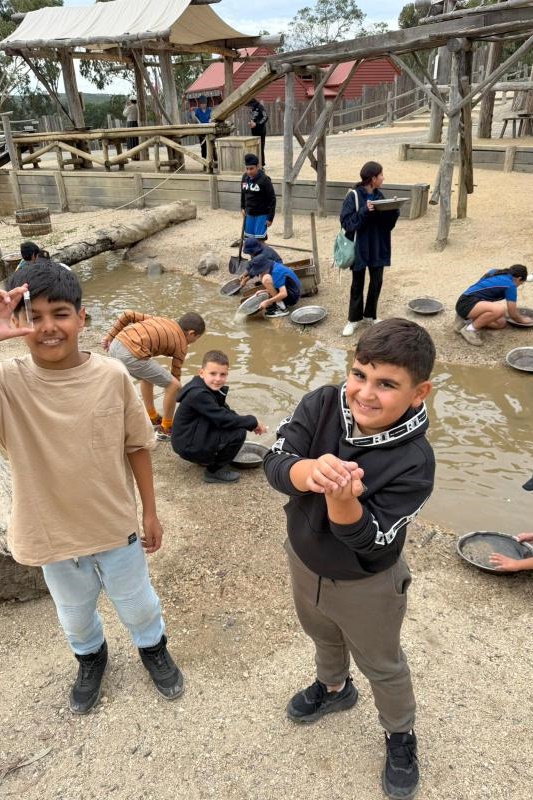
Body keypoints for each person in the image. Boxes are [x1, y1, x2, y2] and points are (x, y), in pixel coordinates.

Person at [263, 318, 436, 800]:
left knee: (382, 663)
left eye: (387, 384)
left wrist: (343, 501)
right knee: (321, 632)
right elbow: (274, 460)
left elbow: (376, 541)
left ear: (419, 392)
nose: (365, 393)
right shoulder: (321, 403)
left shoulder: (415, 461)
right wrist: (305, 470)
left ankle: (399, 734)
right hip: (304, 560)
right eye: (360, 374)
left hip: (367, 582)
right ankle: (335, 689)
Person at [0, 263, 184, 714]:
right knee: (74, 615)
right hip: (51, 533)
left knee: (139, 604)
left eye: (60, 314)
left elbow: (137, 445)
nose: (47, 327)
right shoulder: (7, 383)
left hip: (112, 523)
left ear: (82, 318)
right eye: (34, 316)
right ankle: (90, 657)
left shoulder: (112, 375)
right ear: (18, 323)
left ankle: (152, 648)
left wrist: (150, 512)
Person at [102, 310, 205, 441]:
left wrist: (109, 337)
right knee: (174, 385)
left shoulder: (163, 320)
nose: (194, 341)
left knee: (148, 376)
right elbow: (175, 375)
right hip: (130, 354)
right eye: (196, 338)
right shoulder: (182, 344)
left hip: (115, 345)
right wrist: (179, 395)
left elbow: (127, 314)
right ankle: (166, 429)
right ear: (191, 333)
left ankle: (152, 417)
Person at [171, 349, 267, 484]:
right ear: (201, 373)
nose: (218, 379)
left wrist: (251, 423)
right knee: (238, 433)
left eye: (223, 374)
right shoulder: (199, 394)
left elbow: (225, 412)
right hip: (186, 445)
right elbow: (223, 419)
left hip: (187, 438)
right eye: (213, 373)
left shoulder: (206, 387)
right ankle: (212, 472)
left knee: (234, 423)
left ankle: (204, 458)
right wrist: (251, 421)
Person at [340, 161, 399, 337]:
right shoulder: (354, 196)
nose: (383, 178)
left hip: (378, 245)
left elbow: (387, 225)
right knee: (357, 283)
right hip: (360, 247)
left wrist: (393, 210)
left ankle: (370, 315)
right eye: (380, 175)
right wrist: (365, 210)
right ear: (372, 178)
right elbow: (347, 223)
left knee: (377, 281)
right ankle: (353, 320)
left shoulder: (380, 195)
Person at [454, 264, 529, 346]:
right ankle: (470, 329)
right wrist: (523, 320)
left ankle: (465, 321)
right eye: (521, 283)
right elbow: (512, 314)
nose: (519, 286)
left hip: (465, 300)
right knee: (499, 310)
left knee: (500, 323)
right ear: (519, 279)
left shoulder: (495, 272)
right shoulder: (510, 285)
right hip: (466, 303)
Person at [241, 153, 276, 241]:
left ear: (257, 167)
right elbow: (243, 193)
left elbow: (272, 199)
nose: (249, 171)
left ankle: (262, 255)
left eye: (251, 168)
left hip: (262, 215)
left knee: (260, 240)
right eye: (247, 169)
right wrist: (242, 207)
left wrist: (270, 218)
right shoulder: (245, 177)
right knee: (249, 239)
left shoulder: (265, 180)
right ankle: (253, 255)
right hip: (249, 214)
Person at [246, 98, 268, 167]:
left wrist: (257, 124)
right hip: (254, 131)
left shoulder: (260, 107)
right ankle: (256, 164)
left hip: (261, 131)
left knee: (260, 148)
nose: (249, 107)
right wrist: (251, 123)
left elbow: (265, 117)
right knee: (254, 148)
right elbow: (254, 118)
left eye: (249, 105)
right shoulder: (252, 108)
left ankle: (262, 164)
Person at [192, 96, 212, 163]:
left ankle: (211, 162)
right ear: (200, 104)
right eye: (202, 104)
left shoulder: (209, 110)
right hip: (201, 132)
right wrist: (197, 121)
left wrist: (211, 119)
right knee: (203, 147)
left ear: (206, 103)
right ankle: (204, 163)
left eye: (205, 104)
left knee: (211, 147)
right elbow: (193, 116)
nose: (203, 105)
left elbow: (212, 117)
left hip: (209, 131)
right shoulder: (197, 111)